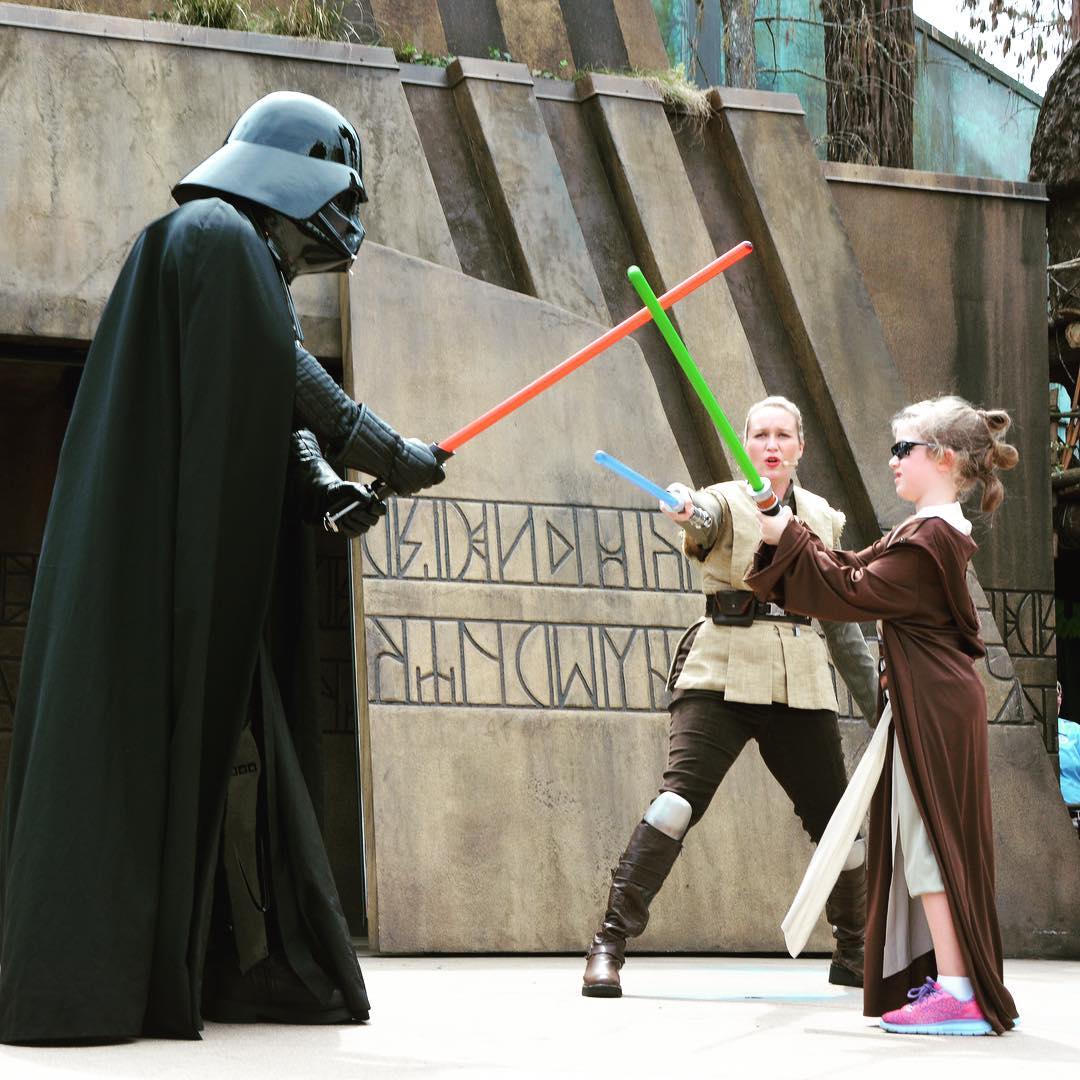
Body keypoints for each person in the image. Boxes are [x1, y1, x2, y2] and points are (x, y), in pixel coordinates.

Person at [0, 91, 445, 1043]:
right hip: (158, 574)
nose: (347, 222)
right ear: (295, 179)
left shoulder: (236, 262)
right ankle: (160, 963)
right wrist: (377, 443)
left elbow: (262, 401)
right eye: (341, 194)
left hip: (192, 578)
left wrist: (328, 482)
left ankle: (240, 959)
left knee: (238, 762)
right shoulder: (211, 233)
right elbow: (284, 371)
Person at [581, 395, 880, 999]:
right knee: (674, 805)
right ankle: (608, 944)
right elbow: (701, 519)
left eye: (782, 435)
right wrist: (683, 507)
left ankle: (853, 948)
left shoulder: (822, 518)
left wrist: (882, 706)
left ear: (800, 447)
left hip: (798, 677)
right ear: (746, 444)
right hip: (719, 671)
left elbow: (843, 628)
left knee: (841, 829)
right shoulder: (722, 498)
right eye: (760, 435)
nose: (771, 445)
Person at [748, 395, 1019, 1035]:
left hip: (935, 706)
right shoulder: (924, 532)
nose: (893, 460)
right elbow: (847, 570)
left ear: (945, 458)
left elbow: (846, 591)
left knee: (929, 842)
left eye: (905, 450)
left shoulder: (929, 540)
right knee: (926, 839)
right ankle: (952, 983)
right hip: (931, 701)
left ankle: (958, 993)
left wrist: (786, 534)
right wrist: (780, 526)